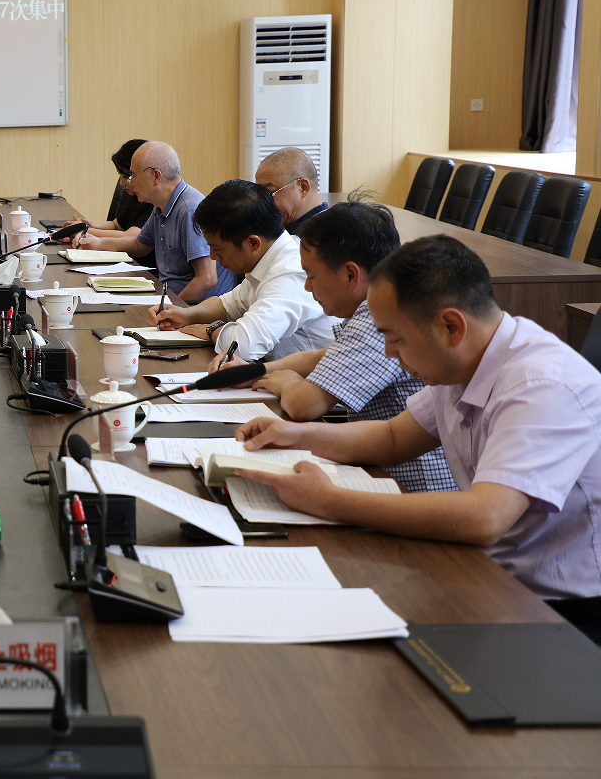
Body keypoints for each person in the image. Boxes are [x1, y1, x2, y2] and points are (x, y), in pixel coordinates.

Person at [233, 235, 601, 643]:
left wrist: (329, 500)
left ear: (450, 326)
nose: (389, 353)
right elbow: (392, 436)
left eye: (396, 338)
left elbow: (485, 518)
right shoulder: (464, 360)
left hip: (560, 612)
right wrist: (295, 435)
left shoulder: (542, 385)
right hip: (487, 573)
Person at [234, 200, 455, 492]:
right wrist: (259, 371)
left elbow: (304, 405)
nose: (307, 287)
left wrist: (288, 383)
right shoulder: (376, 308)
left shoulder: (378, 318)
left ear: (351, 275)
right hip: (384, 470)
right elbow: (322, 356)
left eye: (311, 276)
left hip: (412, 488)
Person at [151, 179, 335, 369]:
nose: (213, 257)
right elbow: (229, 305)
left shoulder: (289, 273)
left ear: (253, 243)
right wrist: (187, 314)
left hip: (310, 380)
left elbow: (243, 346)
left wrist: (210, 330)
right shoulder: (270, 257)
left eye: (217, 248)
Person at [110, 141, 236, 302]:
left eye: (133, 176)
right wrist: (96, 244)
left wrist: (169, 308)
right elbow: (139, 245)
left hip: (195, 306)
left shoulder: (190, 210)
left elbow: (207, 279)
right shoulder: (161, 205)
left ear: (156, 176)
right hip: (169, 296)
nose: (130, 183)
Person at [72, 139, 156, 267]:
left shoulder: (153, 202)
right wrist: (92, 226)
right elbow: (116, 225)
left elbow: (131, 236)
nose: (122, 183)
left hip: (141, 267)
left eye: (127, 176)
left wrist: (87, 230)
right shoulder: (138, 199)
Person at [254, 146, 327, 234]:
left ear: (302, 187)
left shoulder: (323, 237)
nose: (261, 204)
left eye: (269, 193)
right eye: (260, 195)